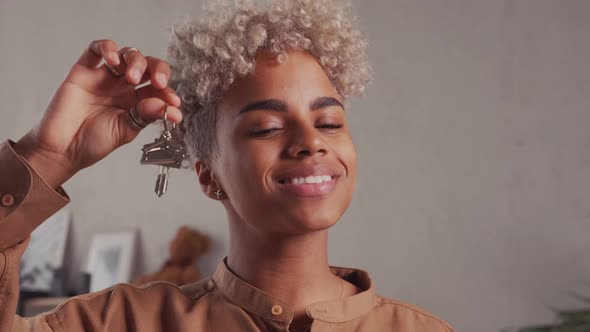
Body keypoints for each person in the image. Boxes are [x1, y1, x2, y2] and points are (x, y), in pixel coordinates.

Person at [0, 0, 455, 331]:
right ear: (208, 175)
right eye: (267, 127)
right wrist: (48, 156)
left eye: (330, 121)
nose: (311, 141)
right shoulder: (117, 324)